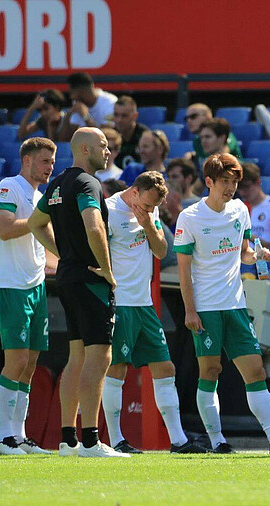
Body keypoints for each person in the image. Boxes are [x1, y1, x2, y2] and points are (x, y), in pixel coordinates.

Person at [173, 153, 270, 454]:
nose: (230, 188)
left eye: (234, 182)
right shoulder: (190, 217)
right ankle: (217, 441)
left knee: (255, 371)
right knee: (211, 371)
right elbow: (183, 270)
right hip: (205, 307)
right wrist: (190, 310)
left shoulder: (241, 210)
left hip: (236, 304)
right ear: (208, 182)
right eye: (225, 182)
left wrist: (259, 256)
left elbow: (244, 253)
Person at [27, 127, 125, 458]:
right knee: (100, 356)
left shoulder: (56, 184)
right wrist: (108, 270)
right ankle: (90, 440)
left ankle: (68, 439)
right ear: (84, 149)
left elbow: (35, 222)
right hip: (89, 279)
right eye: (103, 145)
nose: (108, 151)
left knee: (77, 357)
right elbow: (94, 225)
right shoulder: (87, 183)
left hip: (68, 278)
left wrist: (63, 255)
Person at [101, 171, 207, 455]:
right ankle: (116, 439)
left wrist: (148, 222)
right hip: (120, 301)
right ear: (134, 191)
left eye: (153, 207)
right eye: (146, 205)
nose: (148, 210)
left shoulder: (150, 213)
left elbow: (161, 251)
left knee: (164, 367)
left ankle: (178, 440)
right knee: (117, 368)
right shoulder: (108, 210)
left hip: (144, 303)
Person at [0, 137, 59, 455]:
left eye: (52, 162)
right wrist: (38, 220)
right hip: (12, 285)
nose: (50, 167)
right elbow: (5, 229)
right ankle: (4, 438)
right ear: (28, 160)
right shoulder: (8, 186)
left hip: (36, 285)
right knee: (16, 360)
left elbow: (47, 242)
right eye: (45, 161)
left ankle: (19, 436)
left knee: (30, 364)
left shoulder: (39, 195)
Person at [239, 161, 270, 252]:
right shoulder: (241, 208)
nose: (242, 192)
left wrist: (248, 236)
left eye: (246, 187)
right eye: (239, 188)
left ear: (257, 182)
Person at [60, 72, 118, 141]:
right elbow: (63, 139)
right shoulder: (77, 105)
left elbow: (105, 138)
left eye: (72, 93)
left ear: (81, 92)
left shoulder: (109, 103)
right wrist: (68, 115)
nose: (71, 97)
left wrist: (86, 117)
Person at [112, 96, 149, 169]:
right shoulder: (110, 137)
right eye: (116, 115)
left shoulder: (145, 136)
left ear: (135, 116)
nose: (119, 120)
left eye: (124, 116)